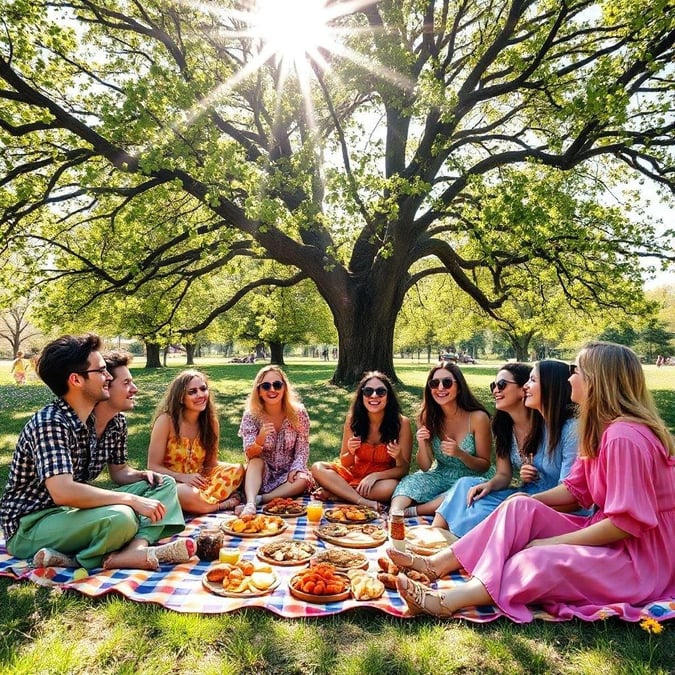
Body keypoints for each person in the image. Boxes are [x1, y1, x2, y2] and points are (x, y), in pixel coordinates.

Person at [388, 342, 675, 622]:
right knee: (519, 507)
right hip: (608, 534)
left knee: (533, 561)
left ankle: (448, 601)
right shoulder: (600, 430)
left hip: (639, 558)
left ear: (596, 380)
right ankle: (434, 565)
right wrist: (520, 503)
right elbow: (576, 488)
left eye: (576, 370)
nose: (570, 376)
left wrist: (550, 543)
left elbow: (626, 523)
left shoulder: (623, 437)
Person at [0, 334, 190, 571]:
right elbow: (63, 491)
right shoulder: (50, 423)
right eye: (101, 371)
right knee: (122, 517)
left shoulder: (96, 419)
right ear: (76, 380)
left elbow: (118, 471)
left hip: (71, 513)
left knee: (163, 484)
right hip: (31, 525)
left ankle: (133, 549)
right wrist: (130, 499)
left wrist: (141, 478)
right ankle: (90, 559)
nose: (108, 377)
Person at [433, 360, 578, 535]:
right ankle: (435, 534)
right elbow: (504, 474)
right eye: (494, 385)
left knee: (481, 511)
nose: (495, 390)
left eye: (501, 385)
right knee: (467, 485)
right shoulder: (503, 426)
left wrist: (525, 492)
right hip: (527, 494)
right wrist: (491, 485)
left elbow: (572, 491)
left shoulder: (558, 427)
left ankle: (454, 544)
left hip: (551, 504)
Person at [389, 361, 493, 518]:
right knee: (411, 481)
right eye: (434, 383)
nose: (440, 388)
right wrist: (423, 443)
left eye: (447, 382)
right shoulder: (427, 417)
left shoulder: (478, 418)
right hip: (441, 474)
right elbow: (425, 467)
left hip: (472, 477)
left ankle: (413, 512)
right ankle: (394, 513)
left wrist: (460, 454)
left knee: (460, 491)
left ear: (459, 388)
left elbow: (484, 465)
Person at [310, 371, 412, 509]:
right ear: (362, 396)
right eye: (368, 391)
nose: (374, 396)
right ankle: (360, 500)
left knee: (392, 487)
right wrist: (351, 451)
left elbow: (403, 469)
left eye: (381, 391)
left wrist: (392, 461)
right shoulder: (353, 420)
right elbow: (345, 462)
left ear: (389, 397)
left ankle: (339, 494)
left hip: (380, 481)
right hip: (354, 474)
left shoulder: (402, 423)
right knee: (317, 467)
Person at [147, 370, 244, 514]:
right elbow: (153, 466)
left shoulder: (211, 423)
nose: (200, 395)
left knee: (240, 469)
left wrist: (235, 471)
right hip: (171, 483)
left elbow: (210, 464)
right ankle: (218, 505)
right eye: (192, 392)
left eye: (203, 389)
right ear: (181, 397)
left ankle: (205, 500)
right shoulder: (166, 421)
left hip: (199, 480)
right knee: (185, 493)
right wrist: (183, 477)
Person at [237, 366, 313, 516]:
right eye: (266, 386)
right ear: (258, 391)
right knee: (255, 462)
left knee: (303, 479)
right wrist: (261, 438)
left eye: (277, 385)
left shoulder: (299, 413)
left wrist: (296, 468)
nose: (272, 390)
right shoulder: (251, 416)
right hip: (263, 473)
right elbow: (250, 454)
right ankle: (250, 503)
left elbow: (302, 448)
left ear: (284, 388)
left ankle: (261, 499)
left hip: (288, 473)